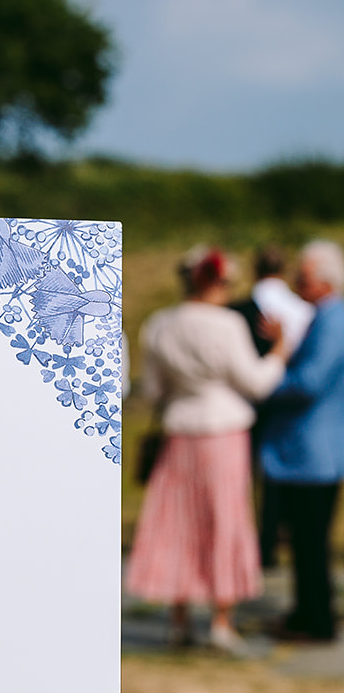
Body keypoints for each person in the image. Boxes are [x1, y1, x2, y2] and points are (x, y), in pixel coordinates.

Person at [127, 247, 287, 652]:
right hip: (223, 431)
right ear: (214, 283)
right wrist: (280, 352)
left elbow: (156, 390)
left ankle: (179, 620)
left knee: (178, 521)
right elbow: (256, 382)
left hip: (181, 430)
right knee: (225, 519)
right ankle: (221, 619)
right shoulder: (228, 324)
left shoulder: (160, 324)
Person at [258, 240, 344, 642]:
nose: (296, 281)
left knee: (309, 541)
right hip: (313, 450)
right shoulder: (324, 317)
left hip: (312, 452)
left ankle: (315, 620)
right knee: (306, 541)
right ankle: (307, 612)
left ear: (326, 281)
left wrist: (265, 383)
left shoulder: (333, 319)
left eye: (304, 276)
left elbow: (309, 381)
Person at [232, 248, 315, 566]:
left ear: (255, 269)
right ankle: (272, 540)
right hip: (287, 401)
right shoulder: (303, 309)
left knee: (241, 476)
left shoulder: (236, 310)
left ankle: (245, 542)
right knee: (277, 473)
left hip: (245, 400)